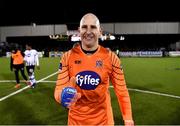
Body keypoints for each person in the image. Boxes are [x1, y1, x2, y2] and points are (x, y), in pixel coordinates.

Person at [54, 13, 134, 125]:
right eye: (84, 27)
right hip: (76, 122)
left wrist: (128, 117)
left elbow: (122, 91)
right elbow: (58, 89)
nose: (88, 31)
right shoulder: (67, 57)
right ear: (79, 31)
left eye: (93, 27)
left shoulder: (112, 58)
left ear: (100, 31)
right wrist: (62, 96)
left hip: (104, 121)